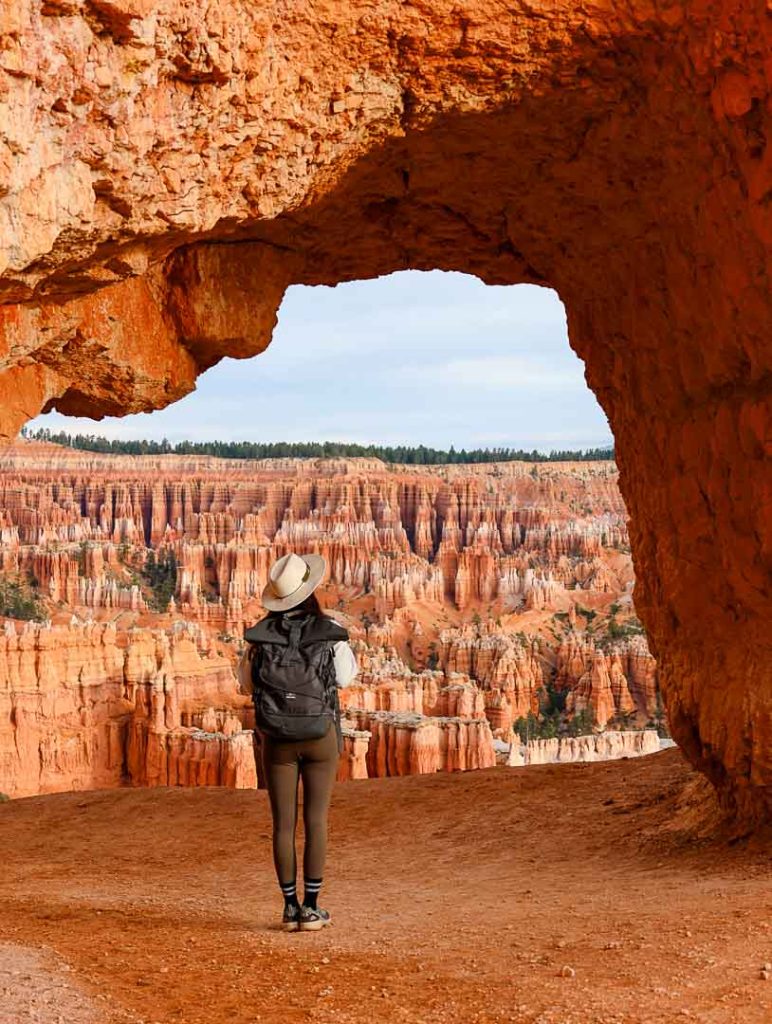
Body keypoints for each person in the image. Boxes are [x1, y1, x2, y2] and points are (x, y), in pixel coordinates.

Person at [238, 552, 357, 932]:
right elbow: (345, 678)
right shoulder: (330, 632)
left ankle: (289, 908)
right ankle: (313, 907)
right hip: (320, 736)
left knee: (283, 823)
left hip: (277, 739)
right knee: (316, 820)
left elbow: (245, 684)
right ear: (310, 592)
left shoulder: (259, 638)